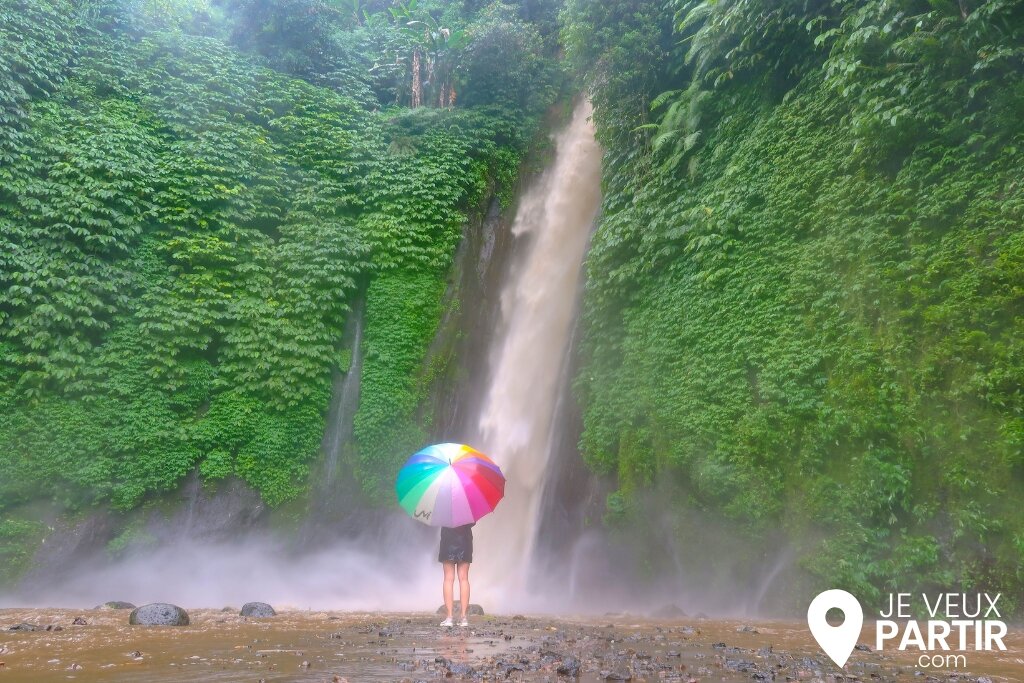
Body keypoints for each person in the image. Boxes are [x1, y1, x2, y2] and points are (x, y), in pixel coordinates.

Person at [438, 522, 474, 627]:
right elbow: (472, 522)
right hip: (465, 541)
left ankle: (449, 617)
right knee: (464, 579)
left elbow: (439, 519)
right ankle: (463, 618)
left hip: (447, 540)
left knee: (448, 579)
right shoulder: (468, 507)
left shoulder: (443, 506)